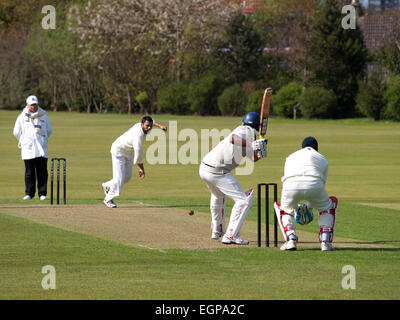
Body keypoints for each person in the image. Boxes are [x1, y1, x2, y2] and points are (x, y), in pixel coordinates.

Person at [199, 112, 267, 245]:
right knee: (243, 201)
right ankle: (231, 235)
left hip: (204, 169)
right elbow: (233, 139)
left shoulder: (247, 135)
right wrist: (251, 145)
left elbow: (253, 158)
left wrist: (261, 152)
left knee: (218, 195)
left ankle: (217, 230)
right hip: (219, 171)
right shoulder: (245, 130)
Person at [274, 136, 338, 251]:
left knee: (285, 209)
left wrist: (298, 207)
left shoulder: (291, 156)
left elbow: (288, 179)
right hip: (314, 184)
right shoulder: (322, 158)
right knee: (328, 207)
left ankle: (291, 239)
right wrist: (308, 206)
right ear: (316, 148)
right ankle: (325, 241)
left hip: (290, 186)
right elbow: (320, 185)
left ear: (301, 147)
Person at [102, 116, 167, 208]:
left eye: (151, 126)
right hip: (118, 152)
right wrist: (142, 169)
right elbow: (138, 159)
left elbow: (152, 121)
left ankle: (108, 185)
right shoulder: (138, 138)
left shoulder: (143, 125)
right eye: (147, 126)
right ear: (141, 124)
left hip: (128, 153)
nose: (149, 128)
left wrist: (160, 126)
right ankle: (108, 199)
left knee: (127, 177)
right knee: (118, 179)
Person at [13, 95, 53, 200]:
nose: (33, 107)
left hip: (41, 148)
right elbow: (16, 132)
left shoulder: (43, 115)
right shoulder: (22, 117)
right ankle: (29, 194)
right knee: (29, 172)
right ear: (27, 105)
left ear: (37, 104)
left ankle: (42, 194)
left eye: (35, 105)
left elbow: (49, 130)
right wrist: (23, 140)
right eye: (31, 105)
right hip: (28, 149)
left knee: (42, 172)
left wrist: (42, 139)